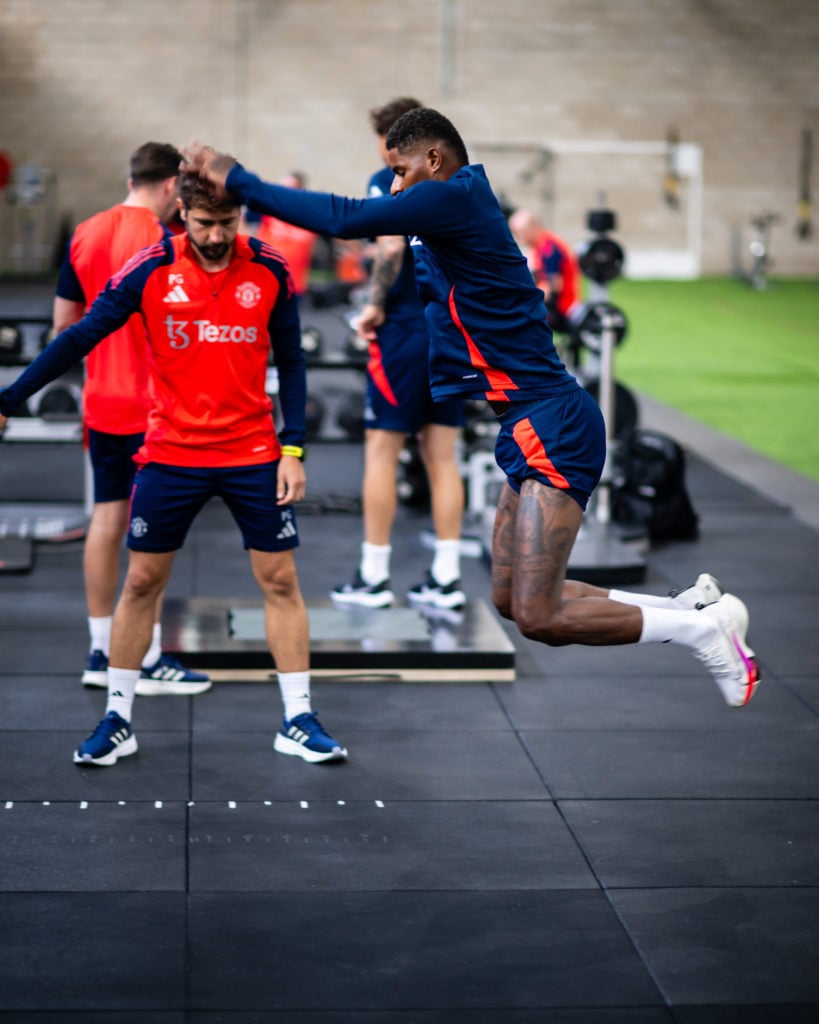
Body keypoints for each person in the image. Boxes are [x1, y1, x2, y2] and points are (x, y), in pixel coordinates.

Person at [180, 109, 760, 711]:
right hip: (526, 423)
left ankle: (699, 633)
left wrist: (237, 178)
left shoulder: (453, 200)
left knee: (538, 614)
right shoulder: (457, 205)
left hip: (554, 424)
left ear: (433, 160)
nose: (397, 186)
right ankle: (688, 609)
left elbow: (347, 218)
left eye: (400, 171)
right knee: (512, 598)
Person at [0, 171, 347, 766]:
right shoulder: (149, 268)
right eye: (204, 223)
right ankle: (117, 719)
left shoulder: (267, 269)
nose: (215, 237)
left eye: (227, 224)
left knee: (283, 583)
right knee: (140, 584)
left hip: (253, 453)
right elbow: (80, 335)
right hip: (171, 451)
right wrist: (10, 396)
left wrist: (294, 448)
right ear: (180, 211)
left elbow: (291, 362)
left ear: (241, 216)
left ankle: (297, 718)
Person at [53, 141, 210, 696]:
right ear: (170, 185)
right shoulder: (170, 242)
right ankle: (143, 654)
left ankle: (102, 650)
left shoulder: (85, 232)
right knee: (154, 536)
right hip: (156, 411)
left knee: (106, 519)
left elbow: (63, 329)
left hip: (101, 403)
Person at [331, 97, 466, 612]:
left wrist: (372, 305)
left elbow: (390, 248)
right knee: (442, 457)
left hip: (404, 332)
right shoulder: (456, 185)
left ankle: (373, 577)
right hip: (450, 334)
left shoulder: (387, 175)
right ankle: (448, 579)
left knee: (382, 454)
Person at [507, 208, 581, 335]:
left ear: (531, 228)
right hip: (558, 306)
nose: (518, 238)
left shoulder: (548, 247)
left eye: (519, 233)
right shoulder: (542, 244)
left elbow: (553, 286)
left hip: (563, 308)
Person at [244, 171, 317, 299]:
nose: (285, 193)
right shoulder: (267, 209)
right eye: (283, 188)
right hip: (266, 278)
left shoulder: (310, 215)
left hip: (294, 283)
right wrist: (251, 242)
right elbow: (240, 218)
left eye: (291, 189)